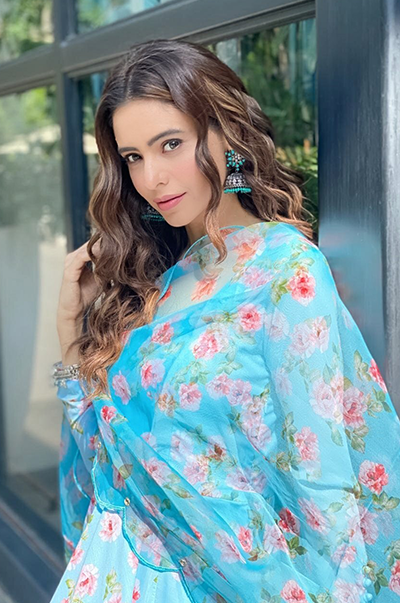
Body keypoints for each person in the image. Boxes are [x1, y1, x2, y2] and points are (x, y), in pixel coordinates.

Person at [50, 38, 400, 603]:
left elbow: (322, 480)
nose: (152, 177)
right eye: (133, 157)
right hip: (115, 570)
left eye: (171, 144)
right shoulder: (155, 280)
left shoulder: (285, 271)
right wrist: (70, 328)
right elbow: (104, 461)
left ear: (226, 135)